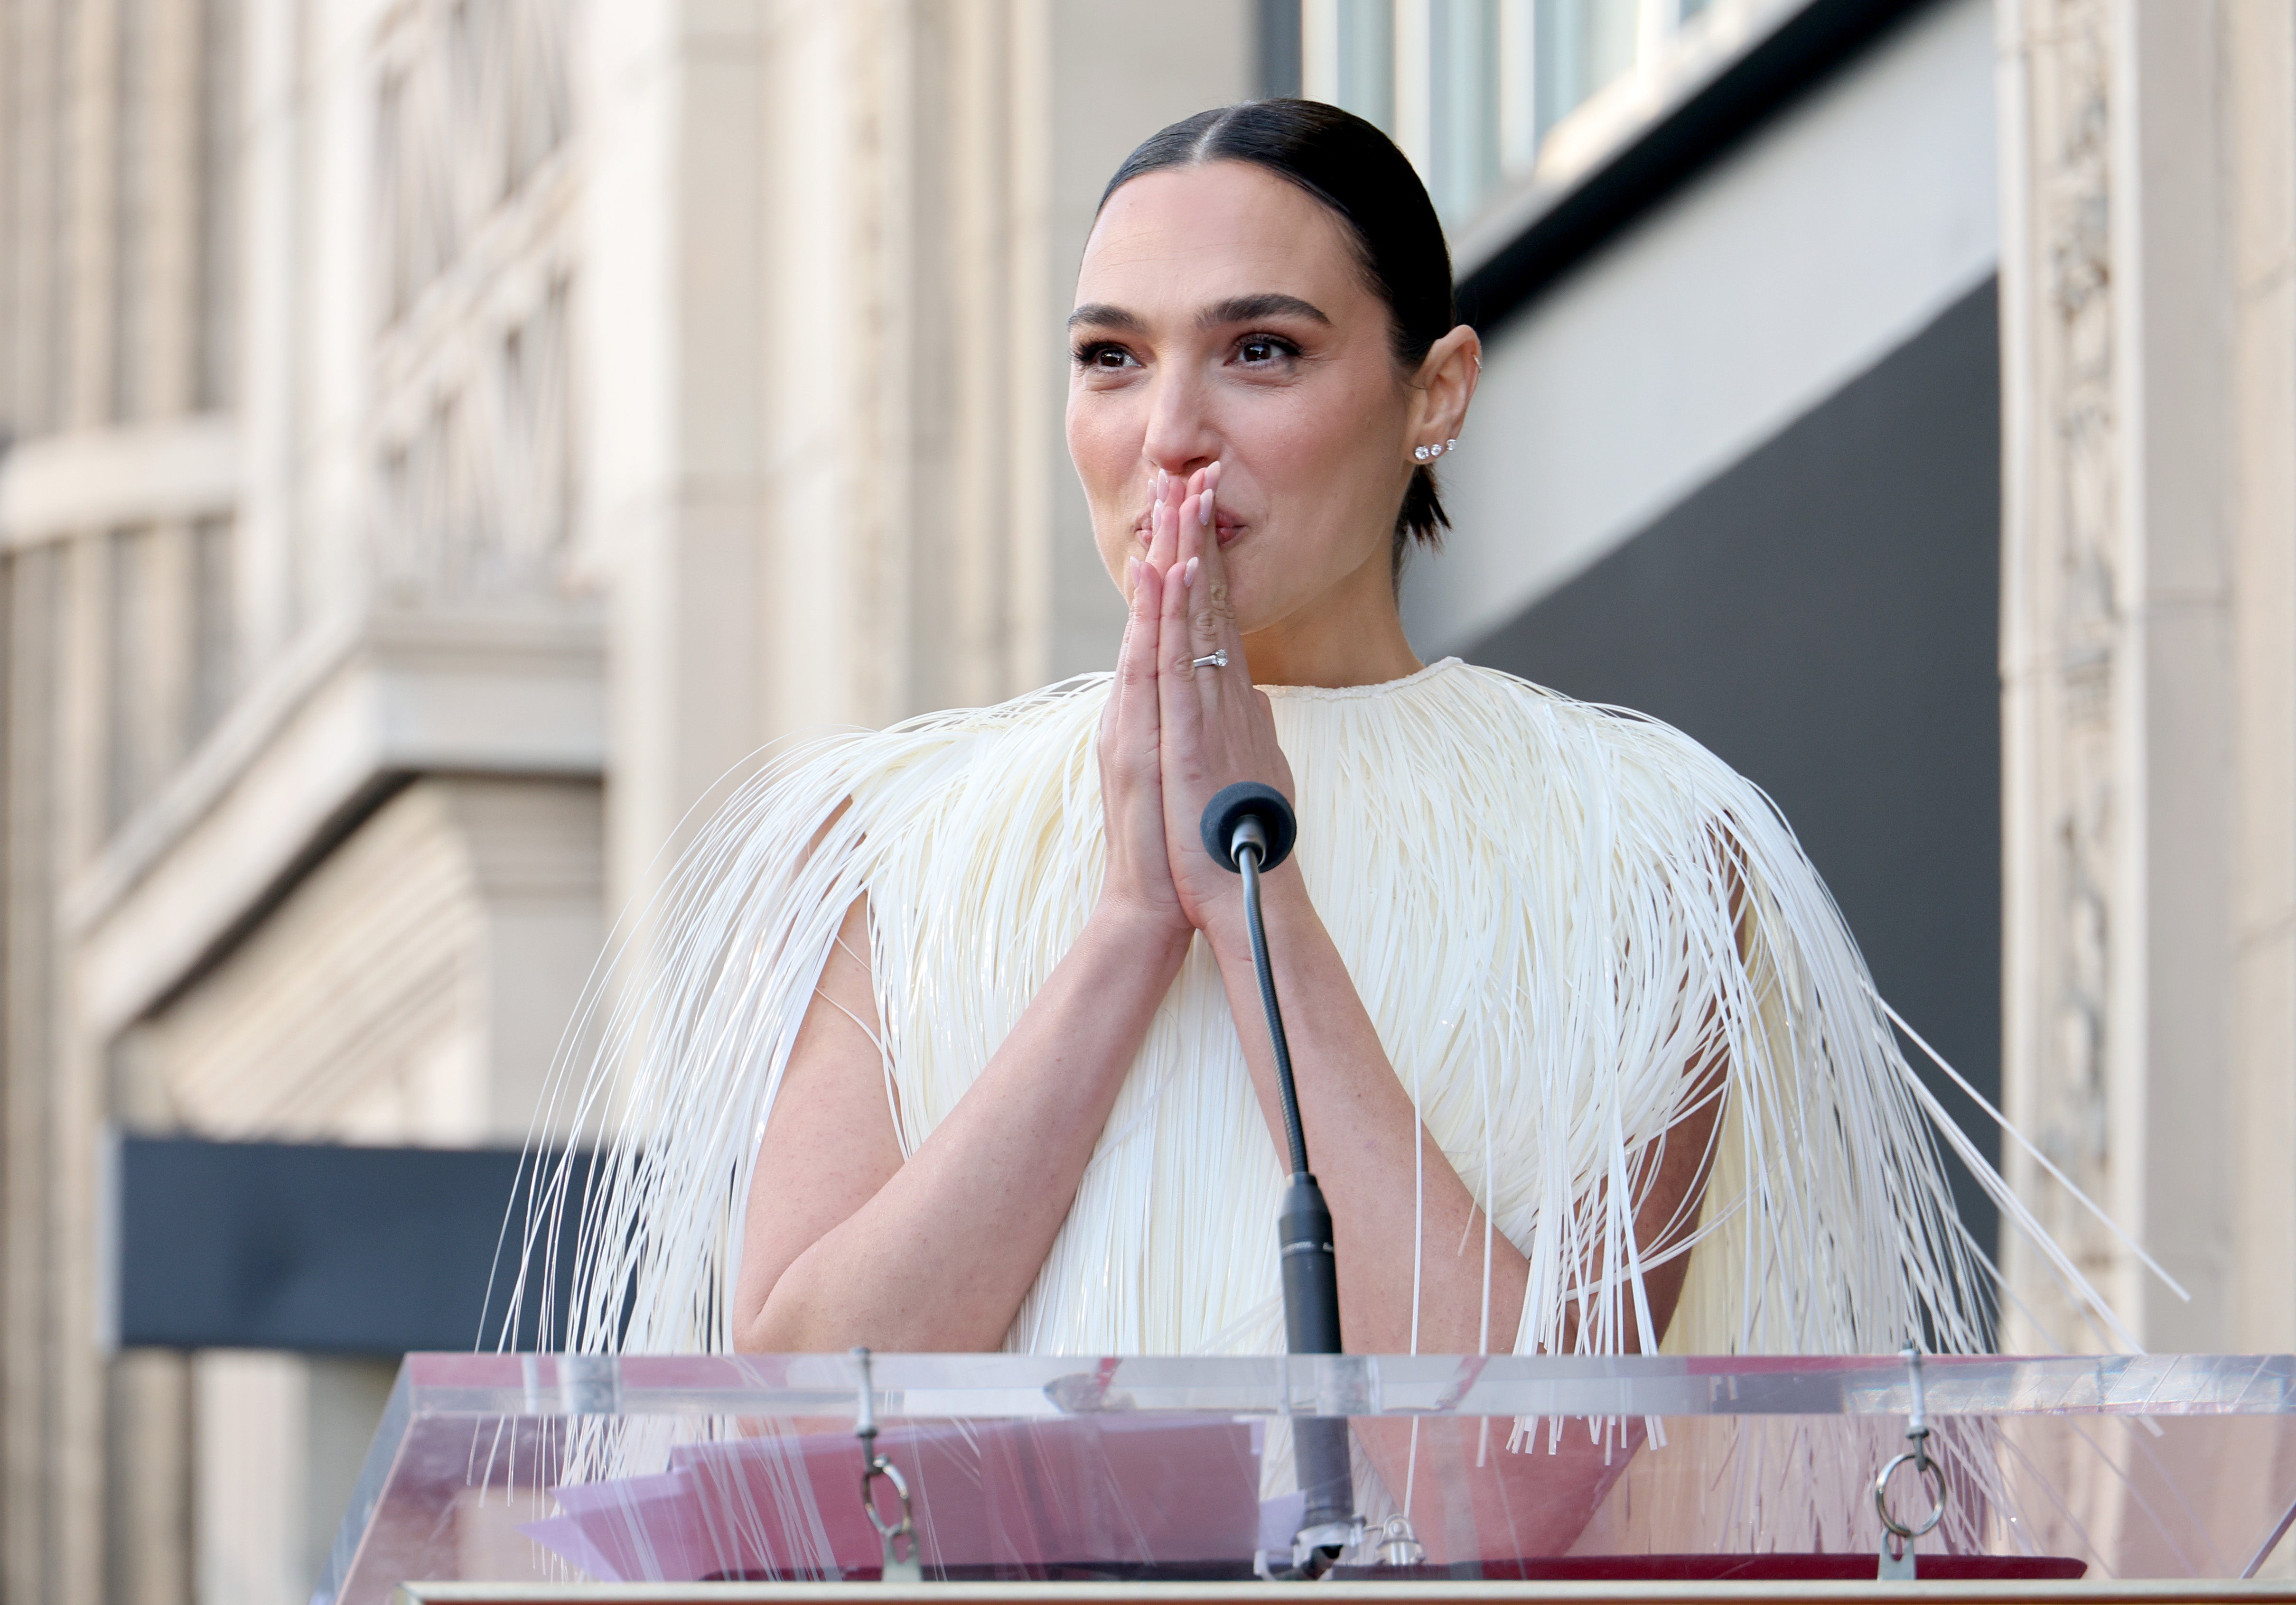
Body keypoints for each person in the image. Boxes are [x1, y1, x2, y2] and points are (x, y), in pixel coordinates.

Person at [525, 98, 2108, 1410]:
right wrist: (1132, 924)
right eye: (1110, 357)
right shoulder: (900, 844)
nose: (1171, 434)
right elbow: (802, 1403)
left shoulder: (1651, 849)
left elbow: (1540, 1449)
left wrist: (1253, 900)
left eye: (1263, 350)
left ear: (1437, 391)